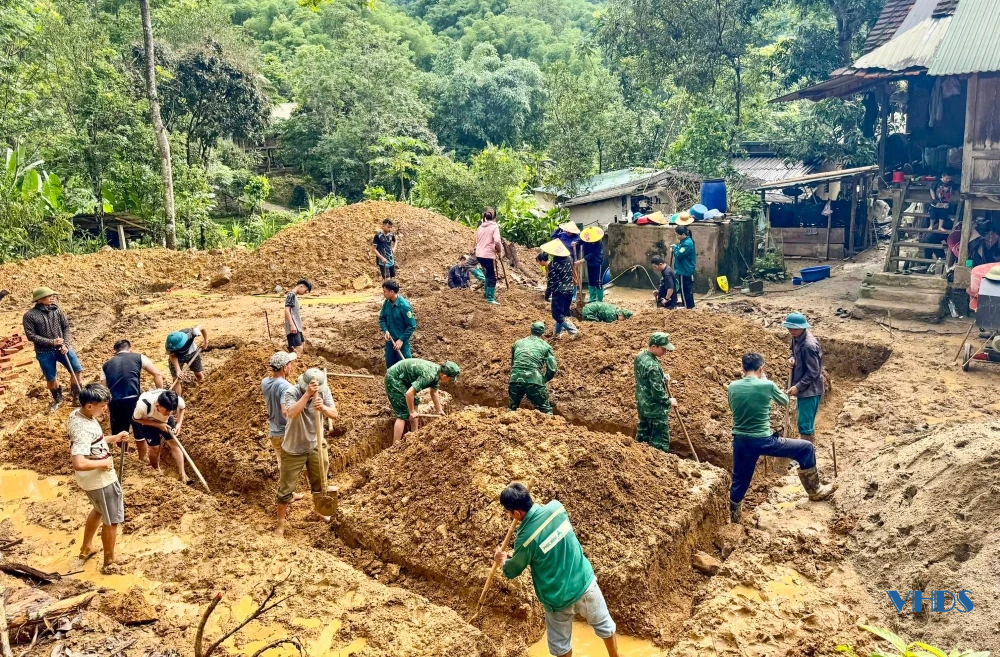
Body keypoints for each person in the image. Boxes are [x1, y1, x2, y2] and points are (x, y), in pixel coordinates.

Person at [494, 483, 620, 657]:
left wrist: (502, 560)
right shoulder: (557, 508)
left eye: (509, 513)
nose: (510, 517)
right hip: (584, 584)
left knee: (561, 645)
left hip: (557, 599)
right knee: (605, 624)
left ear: (516, 513)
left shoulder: (525, 539)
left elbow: (512, 570)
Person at [727, 352, 836, 523]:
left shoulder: (732, 387)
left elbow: (733, 407)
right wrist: (766, 382)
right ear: (762, 368)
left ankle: (735, 518)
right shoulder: (767, 385)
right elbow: (785, 401)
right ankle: (815, 491)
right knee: (806, 448)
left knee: (739, 480)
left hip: (740, 442)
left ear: (742, 368)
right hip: (764, 441)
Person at [68, 383, 129, 573]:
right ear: (89, 405)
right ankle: (109, 561)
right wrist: (102, 463)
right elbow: (78, 462)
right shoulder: (82, 429)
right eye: (102, 406)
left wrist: (113, 438)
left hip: (90, 480)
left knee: (99, 509)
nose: (105, 409)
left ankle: (87, 547)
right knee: (112, 519)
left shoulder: (78, 414)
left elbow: (94, 442)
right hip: (100, 480)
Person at [277, 368, 338, 537]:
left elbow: (334, 414)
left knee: (321, 481)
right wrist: (307, 395)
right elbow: (291, 413)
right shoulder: (292, 392)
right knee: (286, 487)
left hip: (315, 444)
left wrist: (323, 407)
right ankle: (280, 523)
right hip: (294, 447)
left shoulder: (324, 391)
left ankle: (319, 511)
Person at [23, 287, 84, 410]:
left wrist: (66, 344)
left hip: (62, 348)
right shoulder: (29, 316)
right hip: (44, 352)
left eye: (52, 296)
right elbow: (31, 335)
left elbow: (66, 327)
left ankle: (77, 397)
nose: (52, 298)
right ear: (39, 299)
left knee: (77, 370)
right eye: (48, 296)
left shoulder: (57, 310)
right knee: (51, 378)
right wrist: (52, 342)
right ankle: (58, 399)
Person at [100, 340, 164, 455]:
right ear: (130, 349)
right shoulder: (139, 357)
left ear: (115, 352)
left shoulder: (105, 365)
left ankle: (124, 453)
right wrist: (161, 393)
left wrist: (105, 405)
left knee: (119, 433)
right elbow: (157, 374)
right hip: (134, 400)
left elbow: (103, 389)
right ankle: (142, 458)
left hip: (115, 402)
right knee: (139, 431)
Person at [384, 359, 459, 443]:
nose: (449, 381)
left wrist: (439, 410)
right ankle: (395, 445)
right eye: (450, 379)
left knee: (415, 401)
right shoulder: (429, 375)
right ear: (444, 376)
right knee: (403, 413)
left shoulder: (437, 373)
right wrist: (411, 411)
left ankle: (414, 437)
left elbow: (434, 392)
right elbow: (409, 394)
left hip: (403, 379)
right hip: (394, 378)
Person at [132, 388, 189, 483]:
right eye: (167, 411)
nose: (169, 413)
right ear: (157, 405)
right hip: (148, 421)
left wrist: (179, 423)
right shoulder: (143, 406)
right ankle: (156, 470)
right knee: (154, 447)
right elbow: (136, 419)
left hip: (165, 421)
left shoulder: (174, 400)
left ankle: (183, 474)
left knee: (174, 443)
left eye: (171, 411)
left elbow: (182, 408)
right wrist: (158, 425)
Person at [783, 313, 823, 443]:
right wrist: (791, 358)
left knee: (805, 424)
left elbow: (813, 372)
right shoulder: (796, 337)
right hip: (804, 386)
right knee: (806, 422)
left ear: (802, 327)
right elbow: (793, 352)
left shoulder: (808, 345)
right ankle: (808, 446)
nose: (791, 331)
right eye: (789, 328)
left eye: (794, 329)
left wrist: (798, 387)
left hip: (810, 389)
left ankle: (806, 450)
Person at [633, 332, 676, 453]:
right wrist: (669, 401)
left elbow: (645, 376)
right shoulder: (653, 366)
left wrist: (661, 377)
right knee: (660, 442)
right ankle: (659, 461)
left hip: (642, 404)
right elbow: (657, 393)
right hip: (655, 410)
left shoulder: (640, 356)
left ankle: (638, 457)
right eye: (663, 349)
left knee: (642, 436)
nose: (665, 352)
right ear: (653, 346)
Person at [509, 321, 557, 414]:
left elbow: (513, 363)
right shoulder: (546, 346)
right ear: (543, 332)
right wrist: (544, 380)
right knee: (546, 410)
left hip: (515, 379)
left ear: (531, 329)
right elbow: (552, 369)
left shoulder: (517, 343)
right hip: (534, 380)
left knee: (512, 408)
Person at [261, 351, 298, 472]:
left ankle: (284, 484)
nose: (291, 367)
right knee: (293, 468)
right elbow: (285, 411)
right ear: (284, 367)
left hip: (274, 433)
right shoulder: (286, 387)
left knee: (282, 465)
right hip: (285, 434)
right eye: (290, 364)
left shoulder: (265, 382)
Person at [542, 239, 580, 337]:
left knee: (556, 314)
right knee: (563, 313)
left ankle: (574, 331)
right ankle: (557, 333)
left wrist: (547, 295)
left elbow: (551, 282)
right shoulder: (570, 259)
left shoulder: (553, 264)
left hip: (559, 291)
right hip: (570, 290)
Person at [379, 280, 417, 368]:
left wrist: (401, 340)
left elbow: (412, 326)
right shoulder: (387, 303)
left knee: (406, 368)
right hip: (390, 343)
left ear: (392, 292)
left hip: (402, 345)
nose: (384, 294)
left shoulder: (404, 306)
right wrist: (386, 330)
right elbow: (382, 318)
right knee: (391, 368)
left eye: (385, 291)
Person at [165, 326, 208, 395]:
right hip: (178, 358)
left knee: (199, 374)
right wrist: (178, 370)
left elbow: (202, 327)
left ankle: (204, 392)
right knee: (177, 380)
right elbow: (172, 356)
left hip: (192, 353)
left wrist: (206, 341)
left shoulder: (191, 333)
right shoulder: (171, 345)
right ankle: (178, 399)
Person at [475, 208, 502, 304]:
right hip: (487, 255)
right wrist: (499, 250)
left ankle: (486, 293)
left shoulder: (480, 227)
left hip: (479, 254)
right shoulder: (494, 227)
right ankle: (490, 298)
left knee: (488, 273)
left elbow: (477, 240)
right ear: (494, 218)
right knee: (492, 277)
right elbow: (497, 241)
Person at [671, 223, 696, 309]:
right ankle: (689, 305)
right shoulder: (684, 241)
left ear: (683, 234)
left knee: (684, 289)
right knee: (686, 289)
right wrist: (676, 247)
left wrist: (675, 249)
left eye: (677, 235)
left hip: (685, 269)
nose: (677, 237)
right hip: (684, 268)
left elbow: (679, 255)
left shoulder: (687, 243)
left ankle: (686, 306)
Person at [284, 279, 312, 354]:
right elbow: (287, 310)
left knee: (302, 344)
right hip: (293, 325)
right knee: (299, 348)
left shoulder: (294, 295)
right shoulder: (291, 295)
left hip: (297, 326)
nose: (304, 293)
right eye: (305, 291)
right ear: (301, 286)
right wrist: (292, 325)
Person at [580, 226, 605, 302]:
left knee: (598, 281)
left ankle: (600, 300)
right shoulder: (586, 240)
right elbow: (579, 241)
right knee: (591, 281)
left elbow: (593, 253)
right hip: (589, 263)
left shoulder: (599, 243)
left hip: (597, 262)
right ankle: (592, 298)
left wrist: (583, 260)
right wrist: (575, 243)